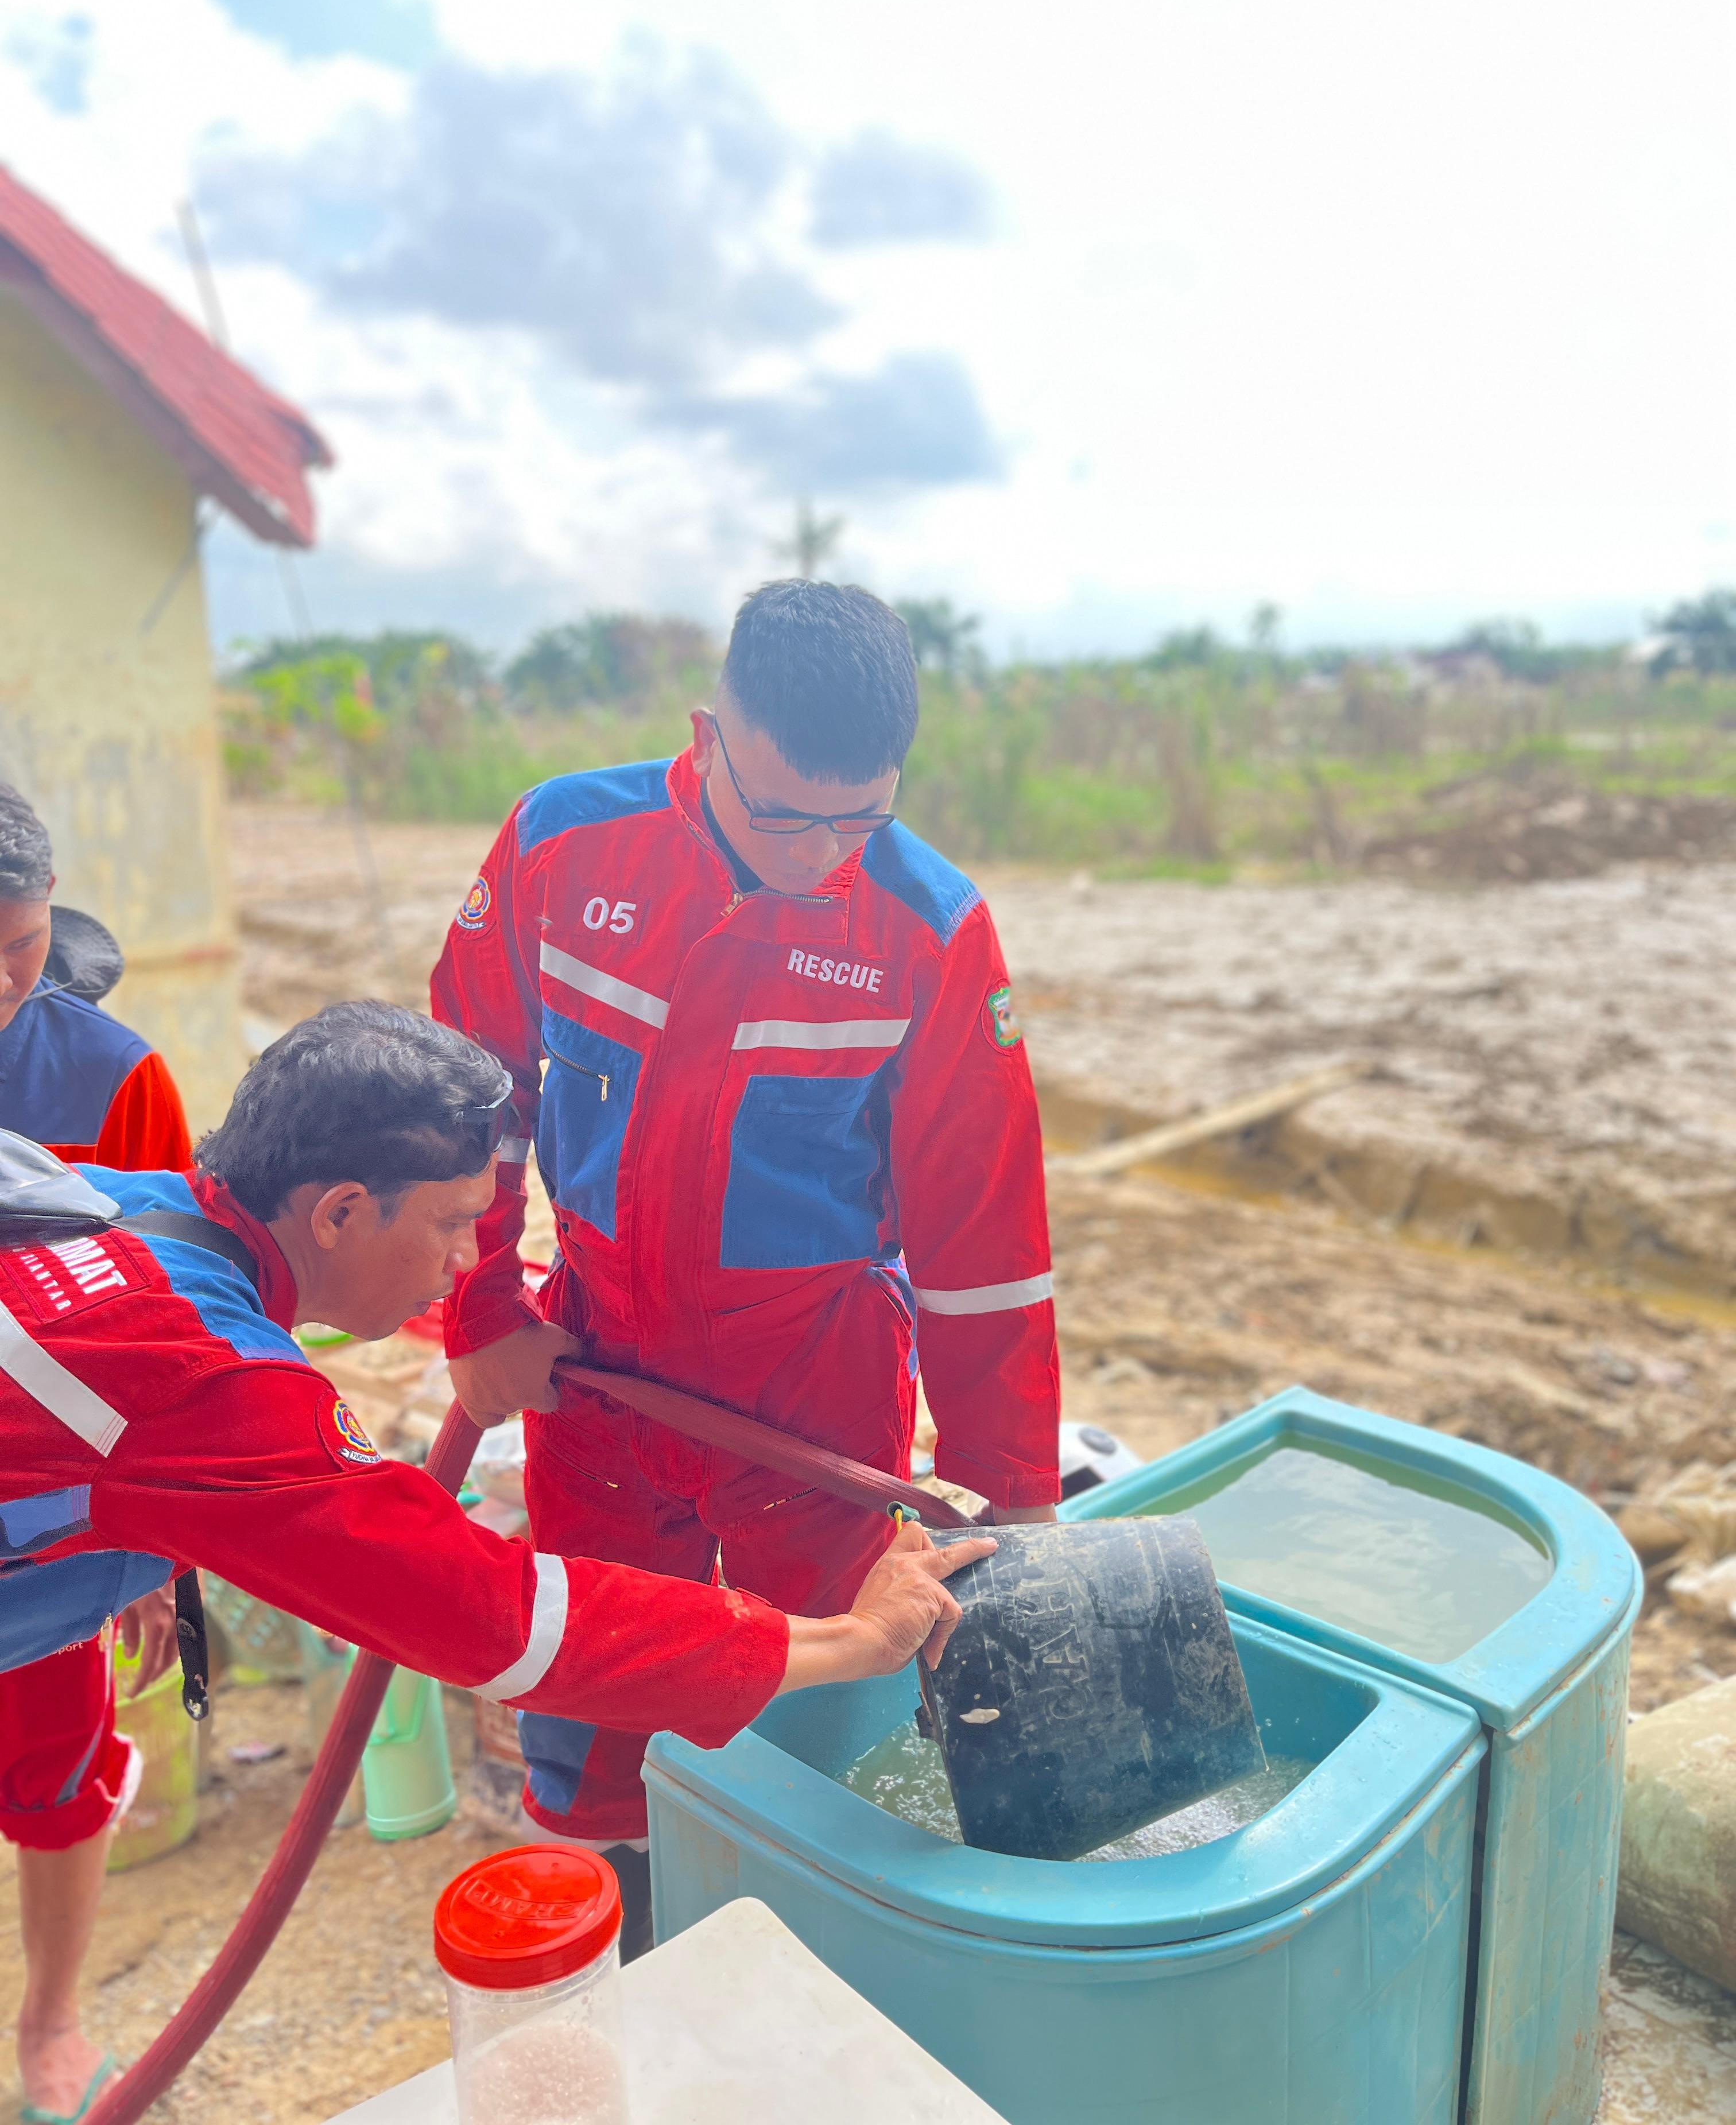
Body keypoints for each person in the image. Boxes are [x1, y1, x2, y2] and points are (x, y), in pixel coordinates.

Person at [0, 1001, 993, 2076]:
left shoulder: (91, 1195)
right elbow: (493, 1614)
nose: (464, 1262)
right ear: (337, 1212)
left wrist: (129, 1542)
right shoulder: (205, 1380)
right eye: (450, 1223)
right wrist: (851, 1640)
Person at [431, 580, 1059, 1907]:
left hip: (812, 1391)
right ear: (706, 735)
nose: (816, 853)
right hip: (597, 1363)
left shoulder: (930, 930)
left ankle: (810, 1940)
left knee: (836, 1697)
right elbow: (470, 1091)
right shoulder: (563, 846)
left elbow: (983, 1238)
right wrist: (482, 1309)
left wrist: (1008, 1490)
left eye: (860, 816)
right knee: (601, 1693)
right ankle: (631, 1933)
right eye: (780, 812)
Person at [0, 786, 189, 2125]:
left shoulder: (112, 1081)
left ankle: (52, 2023)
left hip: (54, 1518)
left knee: (55, 1766)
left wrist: (162, 1554)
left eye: (25, 943)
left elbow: (178, 1341)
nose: (9, 980)